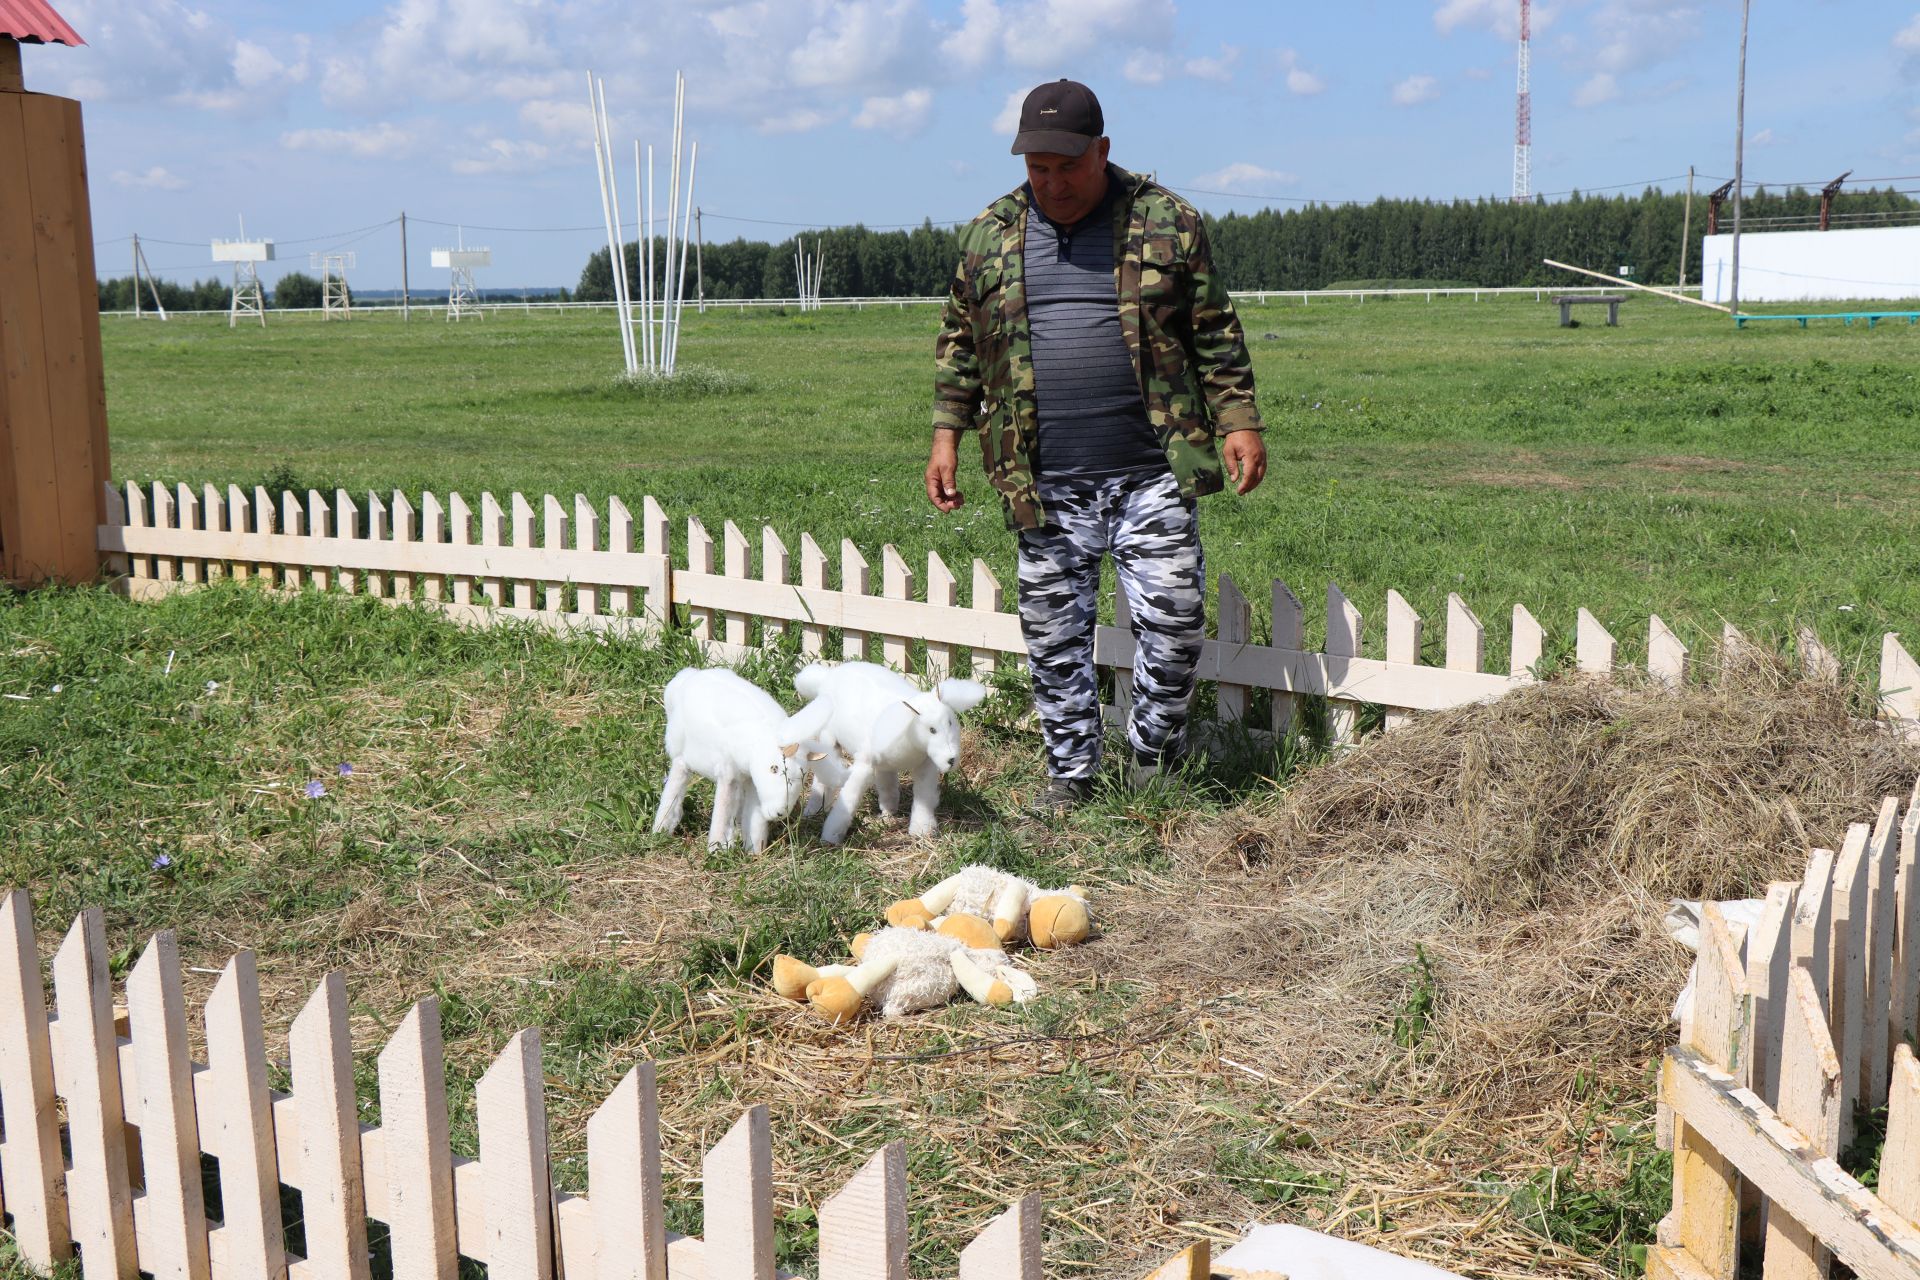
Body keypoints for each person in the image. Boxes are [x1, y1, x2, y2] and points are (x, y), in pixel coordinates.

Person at [925, 78, 1267, 811]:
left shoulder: (1167, 221)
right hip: (1044, 480)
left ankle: (1152, 765)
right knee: (1055, 647)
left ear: (1102, 151)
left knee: (1174, 627)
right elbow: (959, 342)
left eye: (1067, 168)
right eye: (1036, 169)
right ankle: (1070, 780)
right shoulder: (991, 233)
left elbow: (1213, 332)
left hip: (1151, 475)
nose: (1052, 184)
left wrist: (1239, 419)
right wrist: (946, 435)